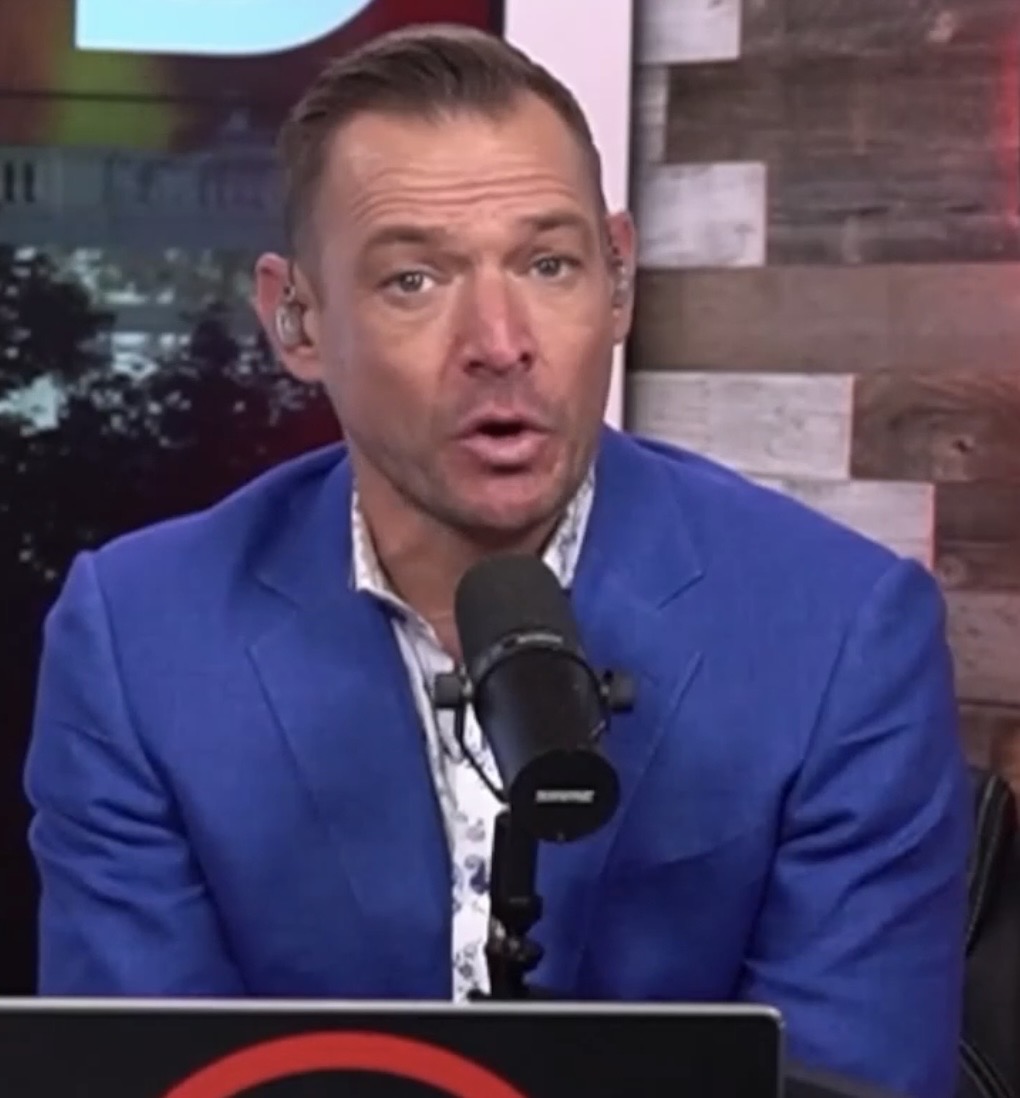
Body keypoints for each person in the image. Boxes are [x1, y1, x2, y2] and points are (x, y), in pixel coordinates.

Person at [25, 23, 970, 1098]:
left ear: (619, 281)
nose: (500, 342)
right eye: (414, 280)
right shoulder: (138, 640)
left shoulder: (844, 635)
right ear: (297, 320)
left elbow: (850, 1077)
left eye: (549, 264)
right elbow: (144, 1075)